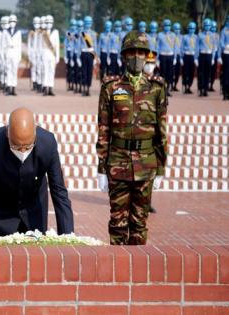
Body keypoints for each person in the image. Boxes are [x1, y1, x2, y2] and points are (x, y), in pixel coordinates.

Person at [96, 30, 168, 245]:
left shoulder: (157, 87)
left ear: (147, 56)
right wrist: (101, 167)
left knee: (139, 223)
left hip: (146, 163)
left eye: (141, 53)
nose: (136, 57)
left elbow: (161, 130)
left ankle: (137, 274)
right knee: (117, 224)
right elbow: (103, 129)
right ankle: (118, 273)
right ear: (124, 56)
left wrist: (161, 168)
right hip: (117, 162)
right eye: (132, 52)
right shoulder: (111, 87)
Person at [0, 107, 74, 240]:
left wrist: (67, 236)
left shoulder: (48, 144)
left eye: (28, 147)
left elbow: (59, 191)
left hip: (33, 214)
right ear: (8, 133)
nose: (22, 152)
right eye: (16, 146)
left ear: (35, 134)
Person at [2, 14, 22, 96]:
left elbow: (20, 45)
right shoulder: (5, 31)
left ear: (16, 22)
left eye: (13, 21)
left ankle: (13, 88)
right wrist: (3, 55)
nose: (12, 23)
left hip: (15, 52)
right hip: (8, 51)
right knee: (8, 70)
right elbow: (3, 44)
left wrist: (19, 56)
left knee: (14, 71)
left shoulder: (18, 32)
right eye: (11, 21)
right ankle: (8, 87)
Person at [41, 15, 59, 96]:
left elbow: (57, 45)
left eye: (50, 22)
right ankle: (45, 88)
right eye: (47, 22)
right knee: (45, 71)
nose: (49, 24)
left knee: (52, 71)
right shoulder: (43, 33)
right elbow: (40, 45)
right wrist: (40, 56)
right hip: (45, 52)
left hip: (52, 54)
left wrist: (57, 56)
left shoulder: (55, 32)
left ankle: (50, 88)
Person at [157, 19, 176, 96]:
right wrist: (157, 58)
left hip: (170, 55)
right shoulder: (160, 35)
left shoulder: (173, 35)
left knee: (169, 74)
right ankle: (162, 90)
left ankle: (167, 89)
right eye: (165, 26)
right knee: (162, 74)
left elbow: (175, 47)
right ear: (163, 26)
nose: (167, 27)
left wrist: (174, 57)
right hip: (162, 55)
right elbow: (157, 47)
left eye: (168, 26)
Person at [196, 18, 213, 97]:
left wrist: (213, 58)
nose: (207, 27)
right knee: (201, 73)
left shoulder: (213, 35)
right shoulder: (200, 35)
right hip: (202, 55)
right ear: (204, 26)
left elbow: (214, 47)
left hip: (209, 55)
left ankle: (206, 89)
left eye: (208, 25)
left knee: (207, 73)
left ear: (210, 26)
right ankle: (201, 89)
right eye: (206, 25)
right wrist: (196, 58)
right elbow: (197, 47)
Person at [181, 22, 197, 94]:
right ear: (188, 29)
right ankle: (185, 86)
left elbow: (197, 48)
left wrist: (197, 58)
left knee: (191, 72)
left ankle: (189, 86)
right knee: (185, 72)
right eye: (190, 28)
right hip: (186, 55)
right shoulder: (185, 37)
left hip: (193, 56)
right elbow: (181, 47)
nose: (191, 30)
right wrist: (181, 57)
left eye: (193, 28)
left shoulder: (196, 37)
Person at [28, 16, 40, 91]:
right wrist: (29, 53)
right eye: (35, 22)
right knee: (33, 69)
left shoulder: (41, 32)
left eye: (37, 23)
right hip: (33, 52)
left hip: (39, 52)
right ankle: (34, 83)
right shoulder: (31, 32)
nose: (36, 24)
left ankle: (39, 84)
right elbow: (29, 44)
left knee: (39, 69)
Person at [64, 19, 77, 91]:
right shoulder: (68, 33)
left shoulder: (77, 33)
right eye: (72, 25)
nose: (73, 27)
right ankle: (69, 85)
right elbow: (65, 44)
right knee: (69, 70)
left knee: (75, 70)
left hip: (75, 53)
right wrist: (65, 55)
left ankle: (74, 85)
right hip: (69, 52)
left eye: (74, 25)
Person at [172, 22, 182, 91]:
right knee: (171, 71)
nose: (177, 30)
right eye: (175, 29)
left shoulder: (182, 37)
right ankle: (171, 85)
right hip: (172, 55)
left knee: (177, 72)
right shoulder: (171, 36)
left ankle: (175, 85)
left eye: (178, 29)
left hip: (179, 56)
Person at [221, 16, 229, 100]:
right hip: (226, 53)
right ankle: (225, 92)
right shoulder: (224, 31)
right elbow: (221, 43)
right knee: (226, 73)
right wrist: (226, 46)